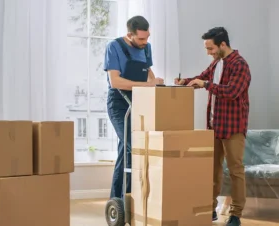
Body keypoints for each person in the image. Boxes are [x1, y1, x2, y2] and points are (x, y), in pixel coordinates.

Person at [174, 27, 251, 226]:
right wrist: (185, 81)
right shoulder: (217, 63)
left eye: (210, 48)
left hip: (233, 127)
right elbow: (202, 77)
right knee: (212, 170)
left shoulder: (240, 65)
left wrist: (206, 85)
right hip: (214, 126)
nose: (208, 53)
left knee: (236, 171)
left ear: (222, 44)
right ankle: (211, 210)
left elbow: (232, 91)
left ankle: (235, 214)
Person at [103, 15, 164, 199]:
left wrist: (156, 82)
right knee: (134, 146)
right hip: (119, 103)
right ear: (130, 35)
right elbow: (115, 81)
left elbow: (148, 73)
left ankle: (120, 200)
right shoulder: (114, 47)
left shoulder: (147, 48)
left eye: (147, 37)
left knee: (126, 150)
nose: (145, 42)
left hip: (138, 101)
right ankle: (130, 197)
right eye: (141, 39)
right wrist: (148, 85)